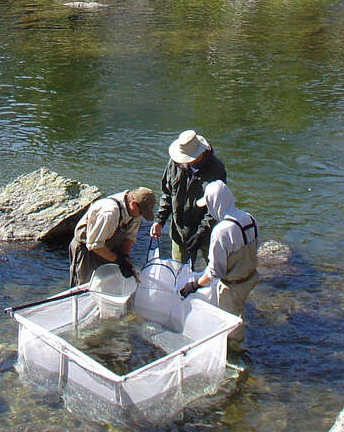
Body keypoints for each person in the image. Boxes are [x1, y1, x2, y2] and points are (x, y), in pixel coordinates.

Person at [179, 180, 258, 343]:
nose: (208, 209)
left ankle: (235, 353)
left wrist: (195, 285)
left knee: (230, 326)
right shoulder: (249, 218)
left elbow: (215, 272)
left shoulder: (221, 231)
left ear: (215, 204)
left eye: (209, 205)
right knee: (239, 312)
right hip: (250, 278)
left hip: (233, 286)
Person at [150, 129, 227, 265]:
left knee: (215, 271)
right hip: (179, 231)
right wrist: (159, 221)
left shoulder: (217, 169)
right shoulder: (174, 163)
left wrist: (200, 233)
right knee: (178, 272)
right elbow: (168, 194)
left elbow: (215, 207)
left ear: (201, 152)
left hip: (207, 233)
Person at [69, 187, 156, 287]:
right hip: (87, 249)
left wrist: (125, 257)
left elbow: (129, 237)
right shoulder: (109, 213)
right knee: (84, 288)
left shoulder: (135, 213)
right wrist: (118, 261)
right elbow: (95, 245)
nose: (141, 216)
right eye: (141, 213)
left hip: (108, 247)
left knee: (108, 284)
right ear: (133, 204)